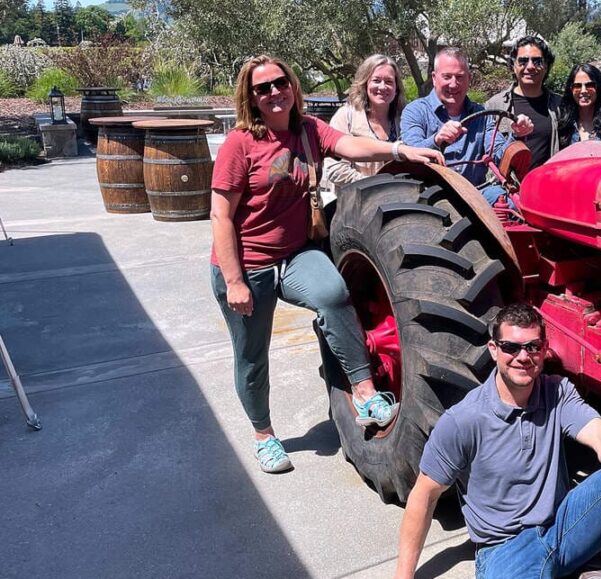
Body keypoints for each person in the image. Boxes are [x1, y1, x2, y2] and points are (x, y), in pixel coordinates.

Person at [210, 54, 444, 474]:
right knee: (251, 355)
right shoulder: (239, 144)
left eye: (279, 83)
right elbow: (220, 216)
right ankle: (264, 436)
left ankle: (364, 391)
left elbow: (350, 146)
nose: (273, 93)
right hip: (247, 264)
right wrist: (234, 281)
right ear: (251, 96)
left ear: (292, 85)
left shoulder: (308, 130)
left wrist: (400, 150)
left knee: (335, 294)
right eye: (262, 88)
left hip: (296, 255)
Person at [394, 304, 601, 579]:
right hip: (507, 549)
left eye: (532, 347)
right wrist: (403, 575)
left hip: (562, 527)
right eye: (511, 347)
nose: (523, 357)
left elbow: (600, 433)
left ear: (544, 350)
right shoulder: (463, 421)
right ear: (493, 350)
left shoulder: (556, 392)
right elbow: (425, 494)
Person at [400, 47, 534, 206]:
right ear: (435, 78)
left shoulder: (481, 114)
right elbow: (410, 153)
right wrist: (436, 140)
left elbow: (498, 153)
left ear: (469, 79)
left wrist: (517, 134)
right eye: (447, 77)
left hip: (477, 193)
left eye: (460, 77)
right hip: (432, 195)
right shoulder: (415, 111)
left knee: (512, 204)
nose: (453, 84)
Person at [323, 54, 406, 188]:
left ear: (397, 88)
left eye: (389, 81)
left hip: (397, 200)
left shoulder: (404, 119)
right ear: (365, 83)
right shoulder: (346, 117)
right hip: (355, 202)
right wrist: (374, 186)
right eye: (376, 80)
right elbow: (334, 168)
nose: (383, 87)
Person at [485, 35, 562, 169]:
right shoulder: (494, 106)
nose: (530, 66)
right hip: (507, 187)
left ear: (546, 66)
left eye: (537, 61)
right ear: (514, 66)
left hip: (547, 183)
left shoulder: (560, 105)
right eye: (523, 61)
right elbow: (489, 153)